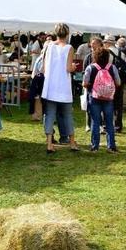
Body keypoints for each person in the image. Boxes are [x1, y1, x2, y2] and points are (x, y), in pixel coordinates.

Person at [42, 23, 77, 153]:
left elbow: (44, 67)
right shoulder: (69, 47)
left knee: (50, 115)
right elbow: (68, 68)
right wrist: (73, 67)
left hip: (50, 86)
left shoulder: (49, 45)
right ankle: (72, 143)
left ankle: (49, 144)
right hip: (63, 86)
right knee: (67, 115)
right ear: (67, 34)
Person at [84, 47, 121, 153]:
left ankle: (94, 147)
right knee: (109, 122)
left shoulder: (91, 67)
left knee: (95, 122)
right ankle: (111, 146)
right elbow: (118, 82)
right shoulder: (112, 67)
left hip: (94, 97)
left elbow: (85, 83)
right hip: (108, 98)